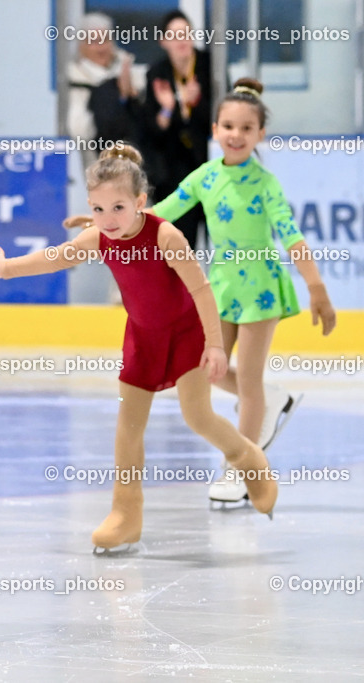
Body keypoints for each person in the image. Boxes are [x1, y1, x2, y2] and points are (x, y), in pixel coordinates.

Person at [0, 146, 278, 552]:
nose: (107, 219)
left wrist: (214, 345)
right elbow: (57, 258)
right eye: (98, 209)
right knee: (127, 427)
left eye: (118, 208)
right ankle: (126, 513)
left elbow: (201, 289)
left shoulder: (165, 235)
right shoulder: (100, 236)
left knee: (197, 415)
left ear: (140, 202)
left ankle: (249, 459)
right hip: (142, 337)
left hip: (186, 332)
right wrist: (9, 267)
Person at [148, 78, 337, 503]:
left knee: (249, 381)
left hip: (261, 289)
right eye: (228, 126)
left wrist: (317, 287)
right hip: (221, 284)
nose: (235, 135)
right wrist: (113, 223)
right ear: (215, 129)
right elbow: (161, 214)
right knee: (203, 366)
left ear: (259, 135)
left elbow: (290, 236)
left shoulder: (266, 184)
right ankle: (272, 399)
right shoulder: (205, 176)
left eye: (246, 128)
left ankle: (240, 469)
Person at [141, 9, 212, 249]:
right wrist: (170, 108)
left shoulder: (209, 66)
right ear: (163, 41)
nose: (182, 40)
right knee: (180, 247)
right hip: (174, 172)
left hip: (208, 163)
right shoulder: (157, 74)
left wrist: (195, 103)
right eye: (174, 35)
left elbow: (220, 116)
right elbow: (153, 131)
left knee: (222, 242)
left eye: (186, 33)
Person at [67, 12, 146, 169]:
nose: (100, 48)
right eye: (93, 42)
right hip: (93, 163)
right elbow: (78, 131)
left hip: (134, 162)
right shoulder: (74, 79)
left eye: (105, 40)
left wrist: (130, 93)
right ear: (81, 46)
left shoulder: (129, 71)